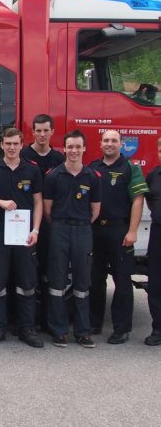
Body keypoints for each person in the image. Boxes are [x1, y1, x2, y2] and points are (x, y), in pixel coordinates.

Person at [0, 128, 44, 348]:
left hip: (24, 232)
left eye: (15, 144)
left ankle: (26, 327)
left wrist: (35, 230)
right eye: (7, 143)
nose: (11, 147)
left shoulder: (32, 170)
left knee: (26, 281)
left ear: (21, 144)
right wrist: (0, 202)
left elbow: (38, 202)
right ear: (1, 145)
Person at [89, 130, 148, 344]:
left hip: (120, 231)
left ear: (121, 144)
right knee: (95, 280)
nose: (110, 144)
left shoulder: (130, 168)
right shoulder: (93, 168)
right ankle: (94, 323)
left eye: (114, 140)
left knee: (122, 282)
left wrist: (132, 231)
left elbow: (138, 200)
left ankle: (121, 328)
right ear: (100, 143)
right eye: (106, 140)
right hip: (96, 231)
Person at [43, 129, 101, 348]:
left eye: (78, 147)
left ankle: (82, 331)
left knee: (82, 282)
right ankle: (58, 330)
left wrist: (80, 225)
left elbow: (95, 210)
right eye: (70, 147)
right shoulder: (53, 176)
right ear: (64, 149)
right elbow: (48, 210)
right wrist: (62, 225)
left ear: (84, 148)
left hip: (83, 230)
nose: (74, 151)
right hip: (59, 229)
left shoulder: (92, 177)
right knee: (57, 282)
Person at [20, 114, 65, 330]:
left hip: (50, 224)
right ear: (32, 132)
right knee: (28, 273)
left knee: (49, 271)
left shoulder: (58, 159)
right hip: (22, 223)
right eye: (38, 130)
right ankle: (27, 319)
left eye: (46, 130)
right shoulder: (23, 155)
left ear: (52, 132)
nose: (42, 134)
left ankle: (47, 320)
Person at [144, 137, 161, 346]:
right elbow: (148, 198)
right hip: (158, 233)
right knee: (156, 283)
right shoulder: (154, 175)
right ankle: (158, 328)